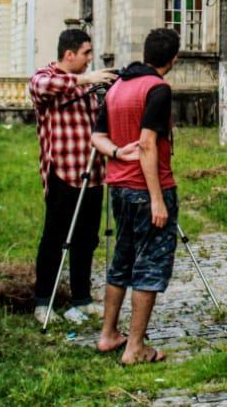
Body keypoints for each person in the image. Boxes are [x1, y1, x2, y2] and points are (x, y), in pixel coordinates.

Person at [91, 27, 181, 365]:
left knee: (122, 261)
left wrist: (115, 152)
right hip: (147, 189)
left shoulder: (117, 87)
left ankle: (108, 334)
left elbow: (96, 137)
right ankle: (135, 347)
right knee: (150, 264)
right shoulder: (158, 89)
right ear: (173, 59)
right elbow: (147, 144)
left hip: (119, 188)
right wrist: (158, 199)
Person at [28, 28, 123, 325]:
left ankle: (81, 297)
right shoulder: (47, 77)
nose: (89, 59)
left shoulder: (87, 85)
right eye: (85, 53)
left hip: (93, 173)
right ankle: (44, 300)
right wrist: (86, 79)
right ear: (69, 54)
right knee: (55, 239)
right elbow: (41, 86)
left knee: (86, 239)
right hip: (63, 172)